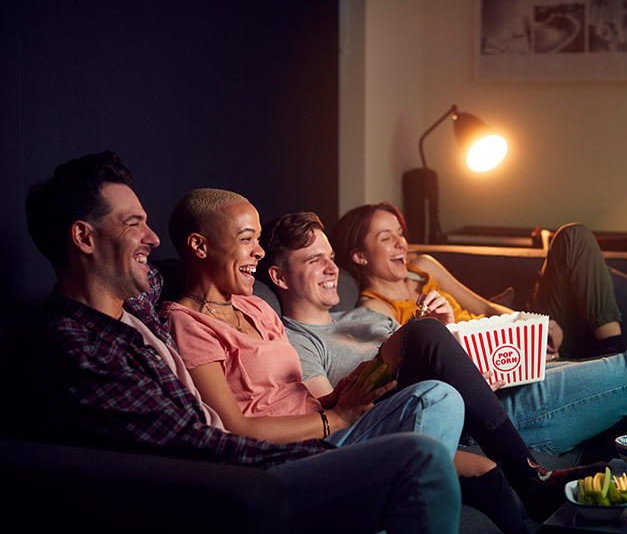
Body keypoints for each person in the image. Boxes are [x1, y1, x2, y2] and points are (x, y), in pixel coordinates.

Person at [23, 151, 461, 534]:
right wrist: (334, 435)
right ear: (83, 237)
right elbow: (194, 445)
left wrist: (226, 262)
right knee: (418, 456)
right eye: (134, 224)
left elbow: (184, 267)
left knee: (435, 403)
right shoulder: (77, 347)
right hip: (231, 485)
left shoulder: (135, 299)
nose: (151, 238)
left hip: (280, 451)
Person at [164, 190, 614, 530]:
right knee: (438, 387)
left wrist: (350, 392)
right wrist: (337, 418)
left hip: (332, 424)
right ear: (200, 247)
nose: (258, 252)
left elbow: (303, 397)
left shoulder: (257, 308)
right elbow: (233, 428)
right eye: (247, 240)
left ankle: (524, 483)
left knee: (435, 376)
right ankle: (527, 478)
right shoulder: (187, 323)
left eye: (259, 240)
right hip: (299, 452)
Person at [261, 211, 627, 457]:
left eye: (327, 256)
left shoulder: (368, 312)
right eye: (316, 259)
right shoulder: (309, 337)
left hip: (506, 384)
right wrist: (424, 340)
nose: (329, 266)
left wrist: (455, 319)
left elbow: (475, 328)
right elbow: (334, 418)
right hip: (488, 418)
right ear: (278, 274)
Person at [333, 202, 623, 359]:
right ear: (359, 256)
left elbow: (485, 309)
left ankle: (613, 348)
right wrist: (520, 351)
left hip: (524, 338)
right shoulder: (376, 310)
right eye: (386, 238)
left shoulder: (423, 268)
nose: (401, 244)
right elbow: (427, 363)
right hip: (497, 362)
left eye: (400, 233)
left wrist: (532, 324)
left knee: (573, 236)